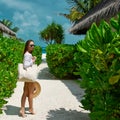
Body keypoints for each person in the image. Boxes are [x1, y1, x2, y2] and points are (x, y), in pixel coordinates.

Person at [20, 40, 37, 117]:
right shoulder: (28, 55)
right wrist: (33, 61)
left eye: (33, 45)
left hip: (27, 76)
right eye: (31, 45)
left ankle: (23, 109)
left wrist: (31, 59)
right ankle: (30, 109)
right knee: (30, 93)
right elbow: (25, 65)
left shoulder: (27, 54)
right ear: (27, 46)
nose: (32, 46)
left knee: (25, 93)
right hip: (29, 76)